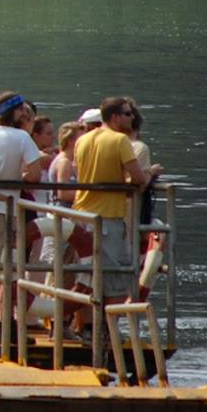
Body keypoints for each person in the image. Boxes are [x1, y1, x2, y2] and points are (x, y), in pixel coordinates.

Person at [73, 95, 160, 300]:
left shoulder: (82, 139)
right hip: (108, 216)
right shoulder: (120, 140)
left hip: (81, 212)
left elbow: (79, 171)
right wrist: (150, 173)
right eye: (128, 114)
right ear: (115, 117)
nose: (132, 118)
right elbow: (138, 179)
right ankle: (108, 329)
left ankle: (86, 327)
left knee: (85, 275)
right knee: (113, 277)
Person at [0, 92, 47, 334]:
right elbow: (35, 175)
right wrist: (18, 178)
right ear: (15, 112)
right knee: (8, 268)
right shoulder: (21, 137)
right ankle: (6, 323)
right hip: (6, 208)